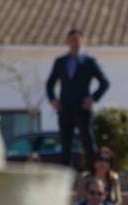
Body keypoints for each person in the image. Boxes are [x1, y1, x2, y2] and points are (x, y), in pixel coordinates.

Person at [45, 28, 109, 169]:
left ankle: (94, 174)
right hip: (65, 108)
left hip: (82, 108)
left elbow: (104, 82)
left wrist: (92, 98)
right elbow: (50, 84)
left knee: (87, 142)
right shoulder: (60, 62)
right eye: (72, 40)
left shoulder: (89, 61)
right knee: (65, 143)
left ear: (83, 42)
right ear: (67, 42)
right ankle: (66, 176)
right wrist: (53, 100)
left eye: (78, 40)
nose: (75, 43)